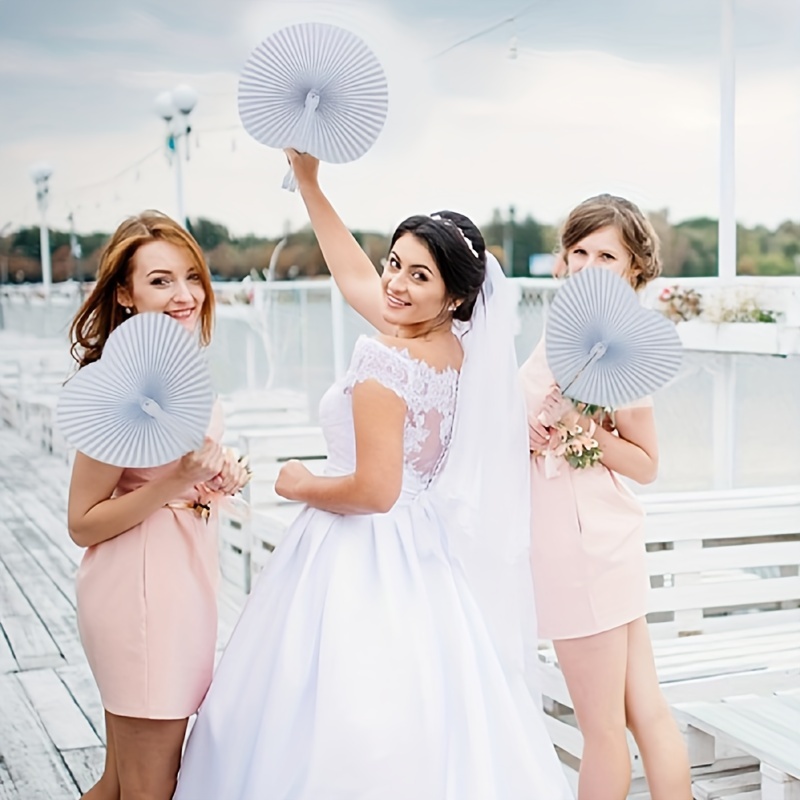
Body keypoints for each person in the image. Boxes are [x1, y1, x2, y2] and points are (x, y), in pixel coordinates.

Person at [173, 152, 574, 799]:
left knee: (331, 704)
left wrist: (299, 483)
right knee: (437, 706)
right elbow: (352, 273)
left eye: (420, 275)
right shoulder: (462, 353)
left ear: (457, 294)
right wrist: (310, 186)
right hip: (424, 551)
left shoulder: (384, 354)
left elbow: (374, 489)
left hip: (357, 546)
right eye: (395, 263)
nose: (395, 283)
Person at [66, 211, 249, 800]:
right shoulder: (119, 386)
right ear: (125, 293)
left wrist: (213, 481)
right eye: (161, 280)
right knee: (150, 790)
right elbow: (82, 522)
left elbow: (176, 476)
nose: (185, 295)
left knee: (121, 785)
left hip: (181, 584)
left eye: (192, 277)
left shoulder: (178, 369)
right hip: (142, 597)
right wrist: (175, 484)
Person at [520, 194, 691, 800]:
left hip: (583, 547)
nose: (591, 264)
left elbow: (645, 462)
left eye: (608, 255)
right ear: (564, 260)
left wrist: (582, 431)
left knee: (602, 730)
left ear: (634, 270)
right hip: (593, 538)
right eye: (580, 251)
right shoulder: (565, 332)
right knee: (644, 712)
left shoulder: (623, 344)